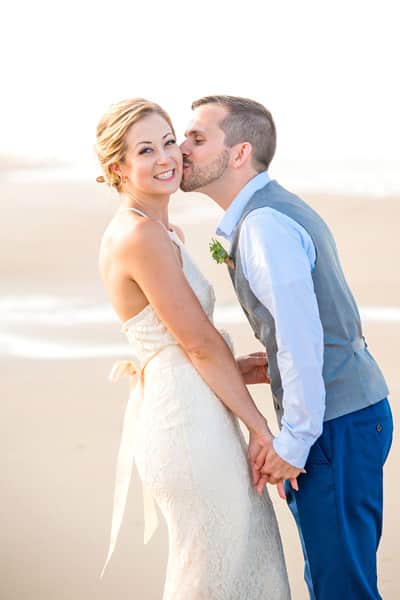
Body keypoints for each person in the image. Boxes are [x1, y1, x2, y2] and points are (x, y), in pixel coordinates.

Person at [180, 95, 393, 600]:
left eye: (197, 138)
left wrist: (294, 443)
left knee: (342, 589)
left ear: (238, 153)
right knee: (335, 581)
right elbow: (304, 329)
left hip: (334, 426)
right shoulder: (268, 210)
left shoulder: (263, 225)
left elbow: (301, 340)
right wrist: (269, 365)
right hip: (343, 418)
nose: (182, 148)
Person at [96, 98, 291, 599]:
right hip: (185, 424)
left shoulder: (165, 231)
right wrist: (261, 429)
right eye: (145, 150)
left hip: (199, 409)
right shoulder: (139, 235)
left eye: (168, 141)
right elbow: (199, 344)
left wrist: (241, 367)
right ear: (117, 168)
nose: (166, 157)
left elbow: (181, 345)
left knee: (241, 553)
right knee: (210, 568)